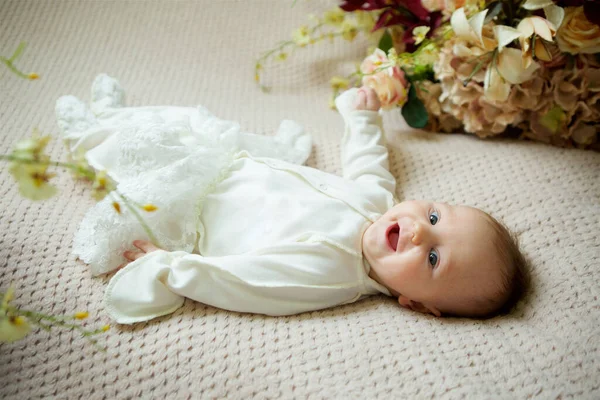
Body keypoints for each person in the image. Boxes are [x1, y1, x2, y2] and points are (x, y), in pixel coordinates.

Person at [56, 75, 527, 325]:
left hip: (198, 197)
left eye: (433, 258)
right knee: (182, 121)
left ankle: (84, 133)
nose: (420, 229)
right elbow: (367, 160)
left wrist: (173, 265)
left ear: (417, 304)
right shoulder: (378, 201)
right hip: (232, 162)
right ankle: (113, 113)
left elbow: (246, 284)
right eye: (434, 215)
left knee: (127, 158)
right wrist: (361, 117)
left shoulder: (330, 276)